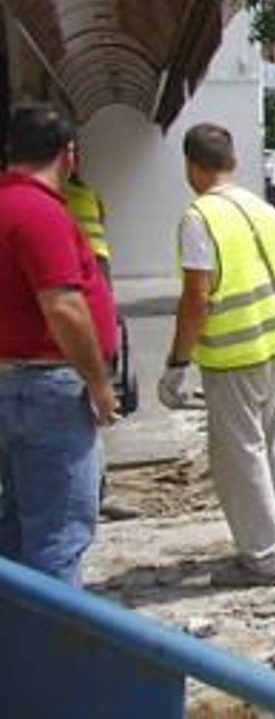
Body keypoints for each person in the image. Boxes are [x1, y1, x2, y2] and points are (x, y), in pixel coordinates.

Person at [158, 123, 275, 589]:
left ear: (192, 166)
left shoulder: (200, 218)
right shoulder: (263, 209)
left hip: (232, 354)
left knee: (241, 456)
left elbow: (196, 298)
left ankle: (265, 557)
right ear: (232, 162)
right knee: (268, 444)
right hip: (273, 344)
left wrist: (177, 364)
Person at [0, 104, 119, 586]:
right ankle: (51, 656)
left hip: (15, 384)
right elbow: (64, 307)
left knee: (16, 522)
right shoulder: (38, 212)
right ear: (69, 154)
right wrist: (99, 383)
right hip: (44, 387)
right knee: (59, 533)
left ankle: (18, 644)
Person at [62, 172, 112, 284]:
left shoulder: (61, 193)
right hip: (99, 250)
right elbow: (102, 218)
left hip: (77, 252)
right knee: (104, 293)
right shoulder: (92, 192)